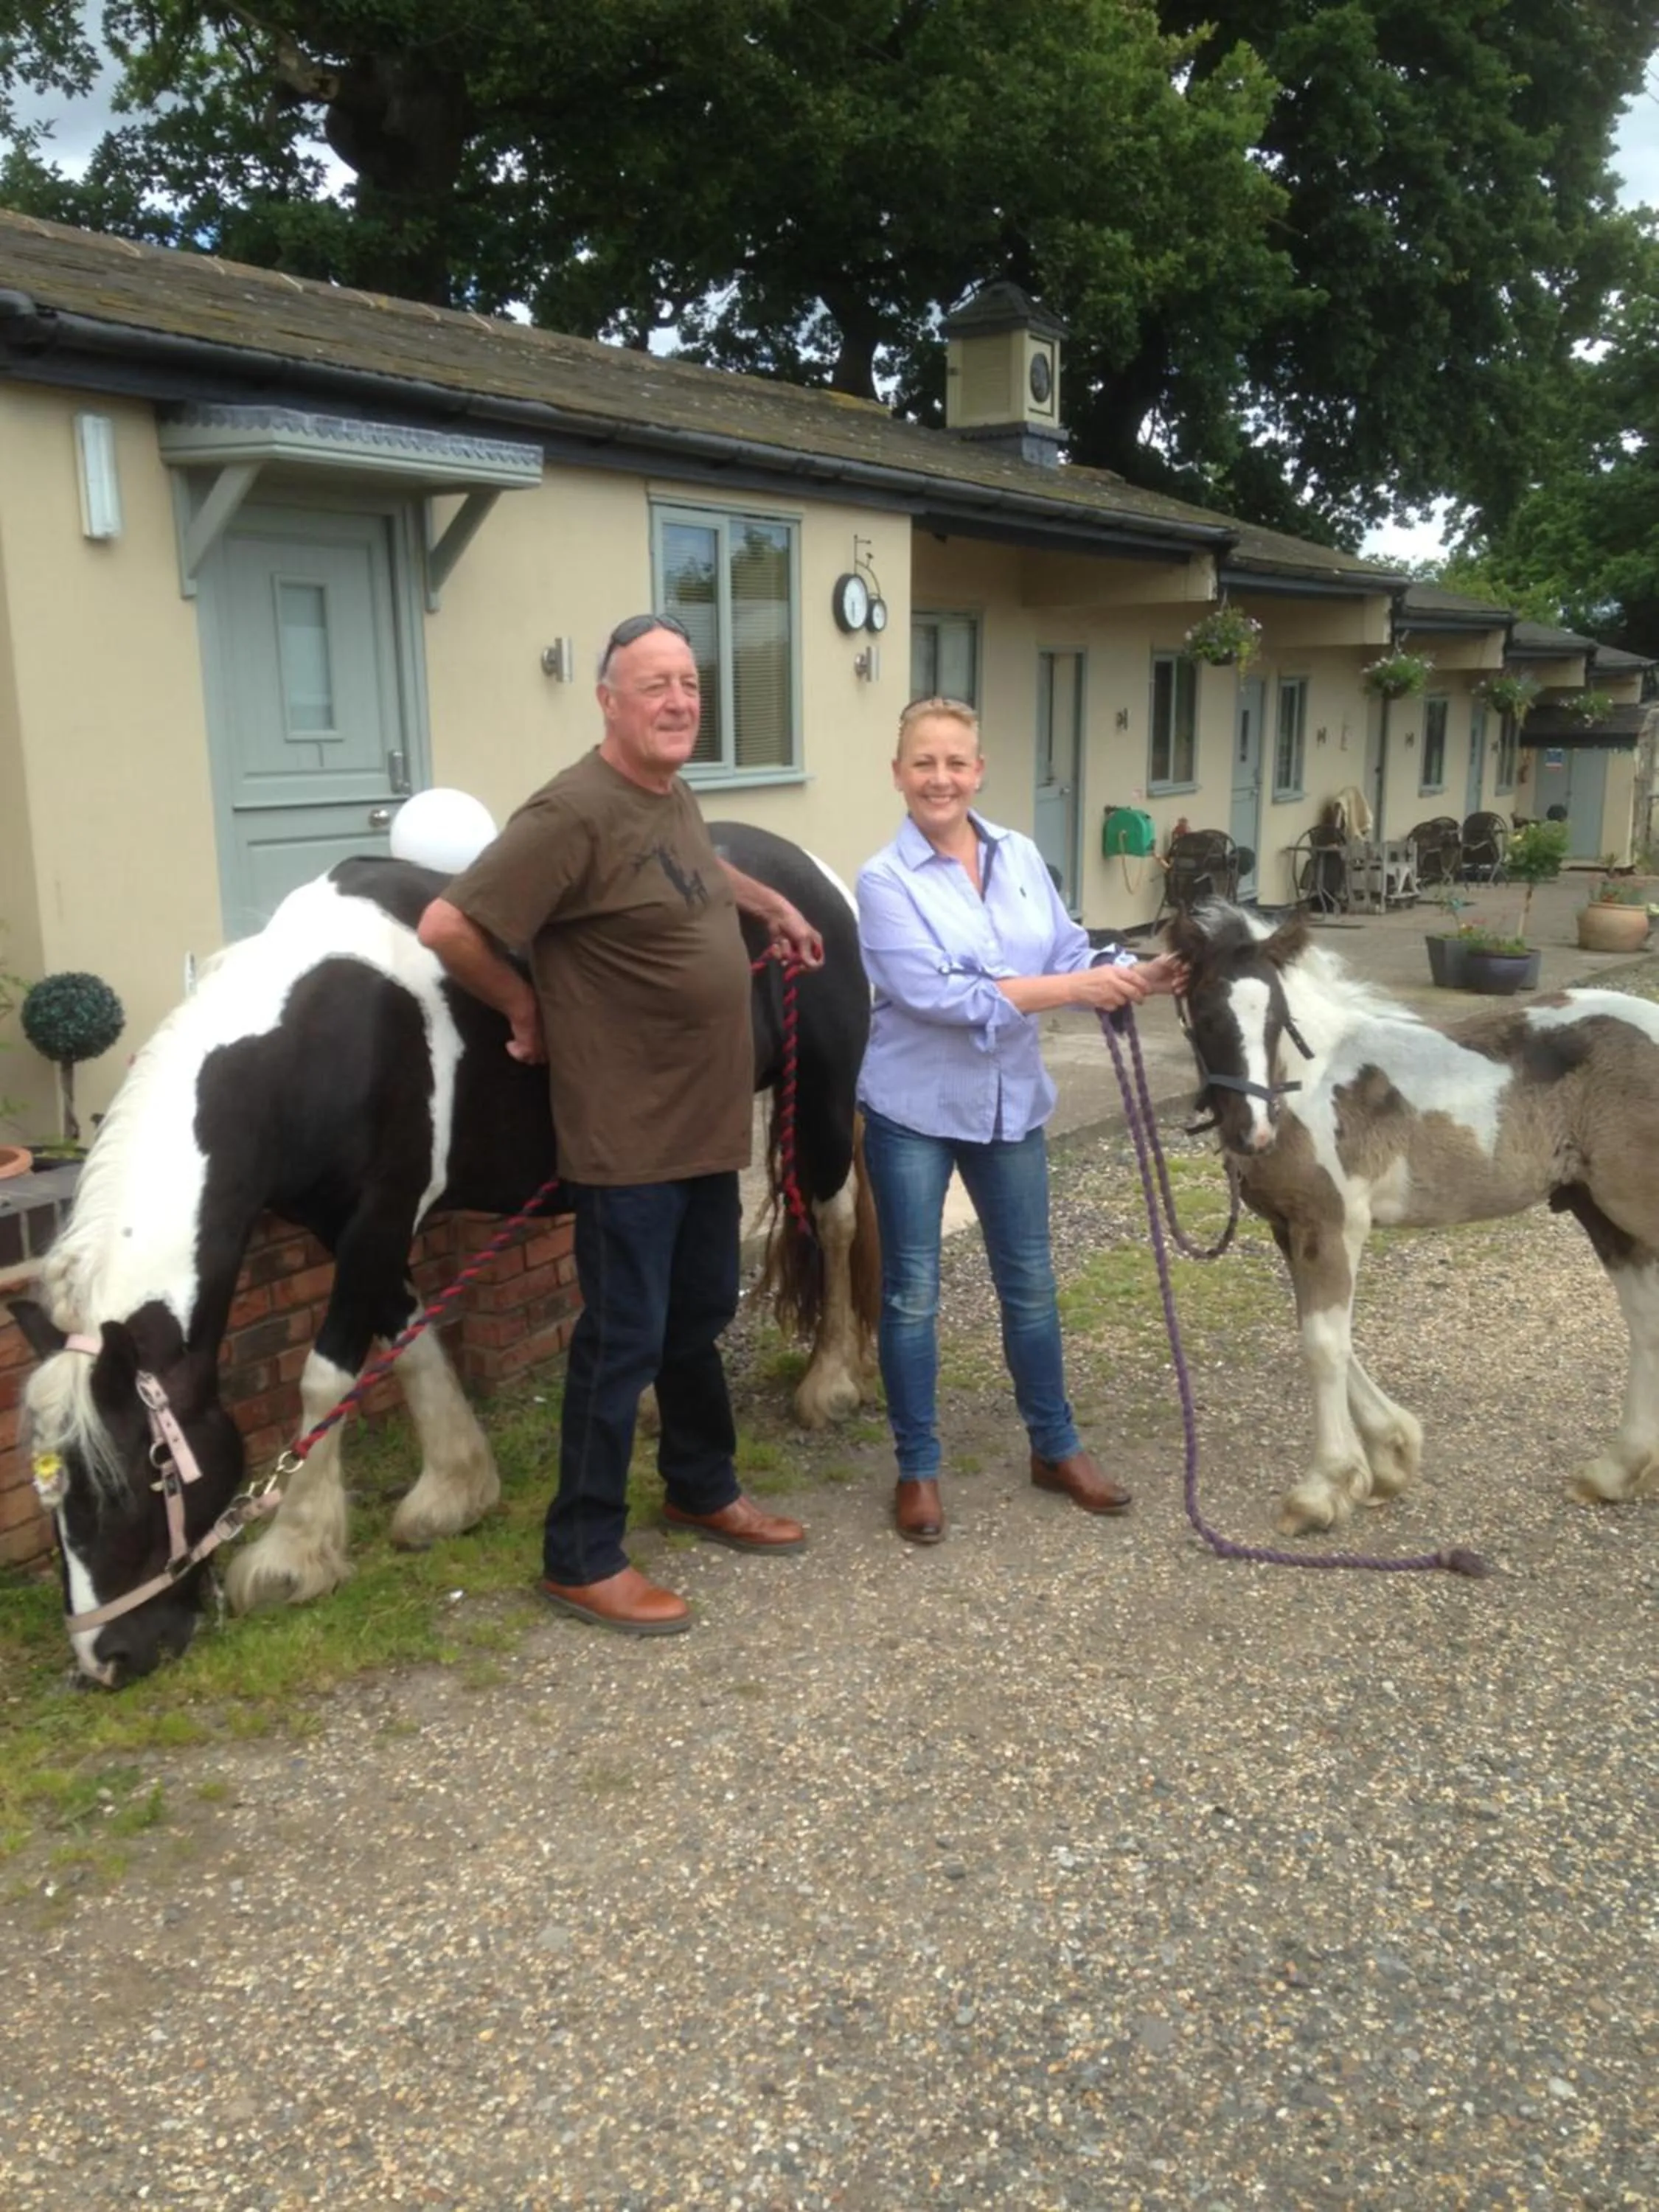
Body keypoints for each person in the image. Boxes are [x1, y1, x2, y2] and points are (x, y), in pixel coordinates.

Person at [417, 613, 824, 1636]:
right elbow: (449, 924)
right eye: (655, 686)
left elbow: (692, 869)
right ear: (607, 701)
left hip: (701, 1123)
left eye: (689, 683)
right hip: (627, 1131)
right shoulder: (571, 812)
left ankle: (700, 1485)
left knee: (699, 1315)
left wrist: (768, 904)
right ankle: (582, 1554)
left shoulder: (668, 792)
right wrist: (524, 1007)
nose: (679, 701)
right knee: (624, 1339)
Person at [855, 695, 1184, 1545]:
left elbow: (1067, 950)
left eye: (954, 762)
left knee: (1031, 1286)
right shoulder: (883, 882)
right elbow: (941, 996)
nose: (939, 778)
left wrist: (1135, 972)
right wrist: (1075, 989)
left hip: (1011, 1106)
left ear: (978, 770)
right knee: (912, 1295)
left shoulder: (1021, 855)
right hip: (914, 1111)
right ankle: (917, 1467)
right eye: (923, 763)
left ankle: (1054, 1447)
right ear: (898, 774)